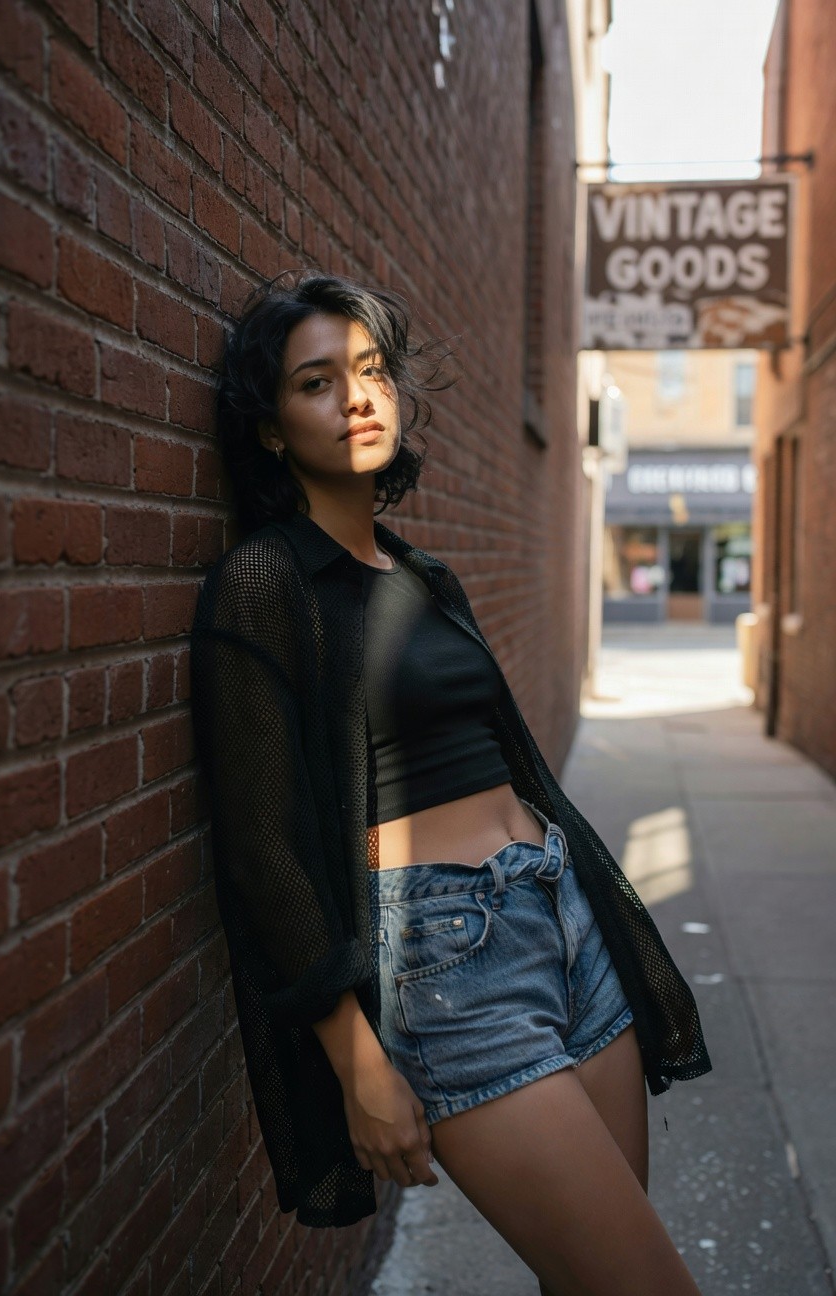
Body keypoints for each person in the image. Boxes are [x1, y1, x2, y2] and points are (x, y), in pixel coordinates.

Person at [190, 270, 711, 1295]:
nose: (357, 396)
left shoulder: (423, 576)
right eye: (317, 381)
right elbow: (260, 847)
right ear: (268, 428)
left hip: (560, 912)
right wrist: (357, 1058)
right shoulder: (265, 584)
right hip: (444, 955)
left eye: (372, 370)